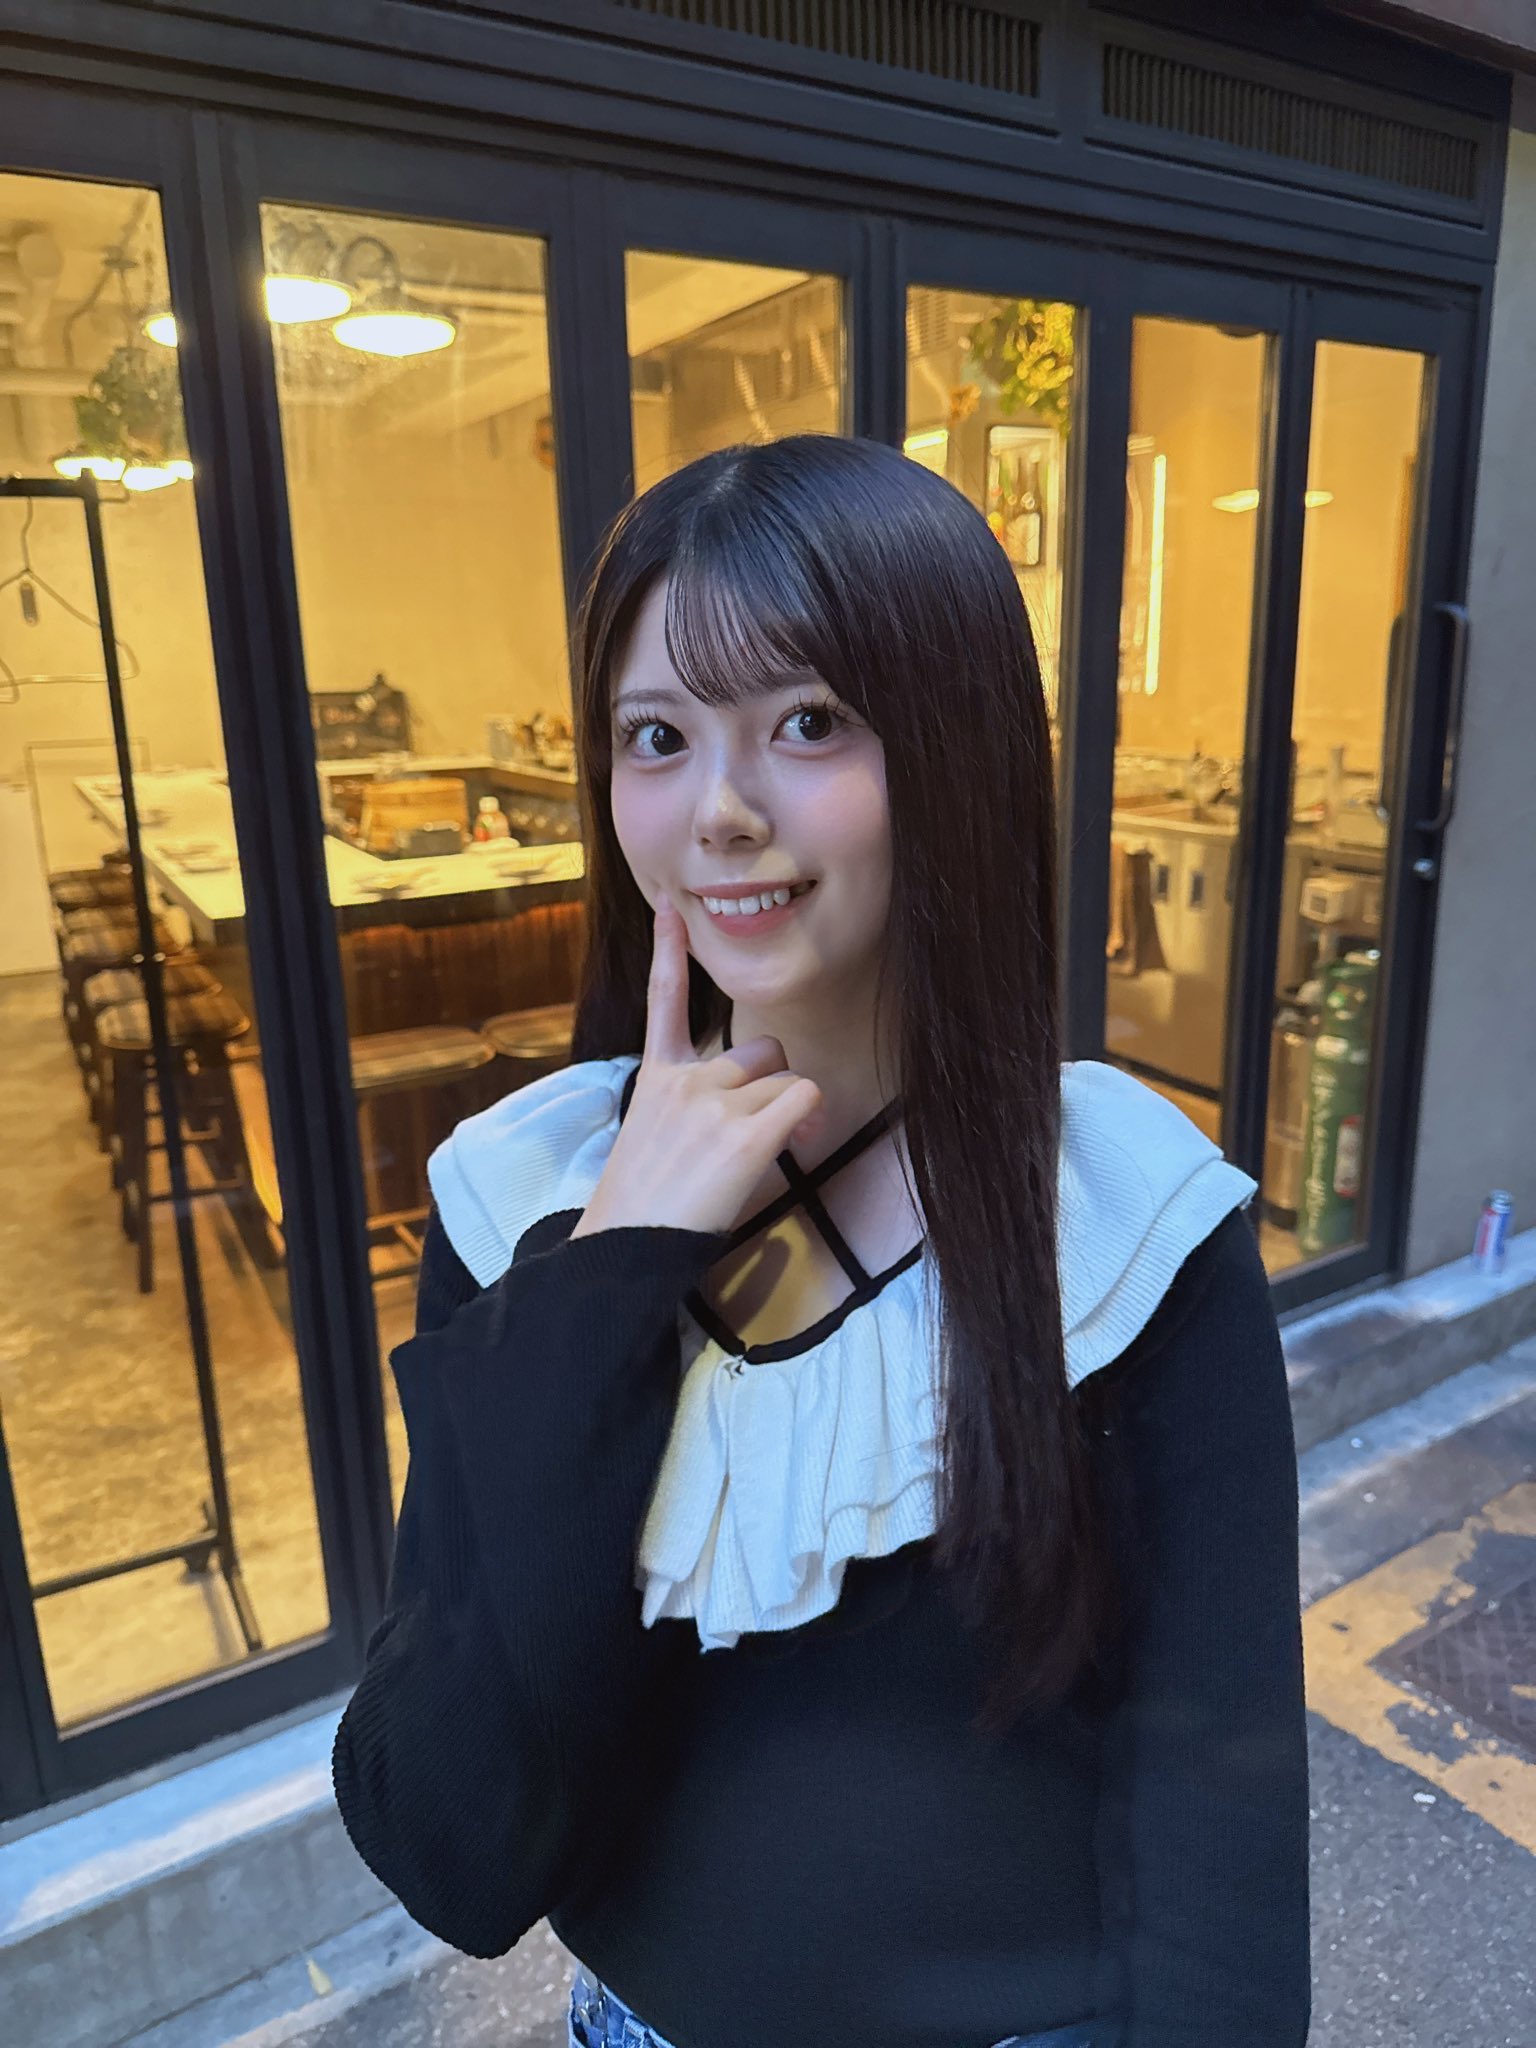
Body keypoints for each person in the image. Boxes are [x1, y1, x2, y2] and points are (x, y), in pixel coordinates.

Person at [332, 435, 1312, 2048]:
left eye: (806, 723)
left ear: (956, 747)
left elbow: (1221, 1814)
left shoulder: (1122, 1221)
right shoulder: (528, 1206)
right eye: (658, 737)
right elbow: (451, 1847)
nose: (720, 812)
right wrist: (616, 1267)